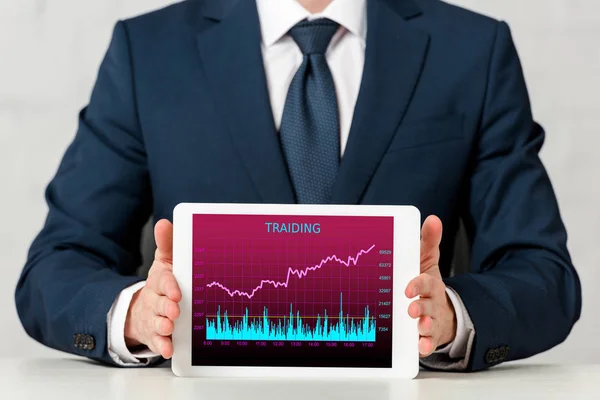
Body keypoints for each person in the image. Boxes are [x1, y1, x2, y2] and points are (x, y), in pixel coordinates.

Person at [15, 0, 581, 372]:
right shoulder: (150, 52)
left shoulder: (471, 52)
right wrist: (135, 313)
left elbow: (543, 273)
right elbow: (57, 263)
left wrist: (453, 315)